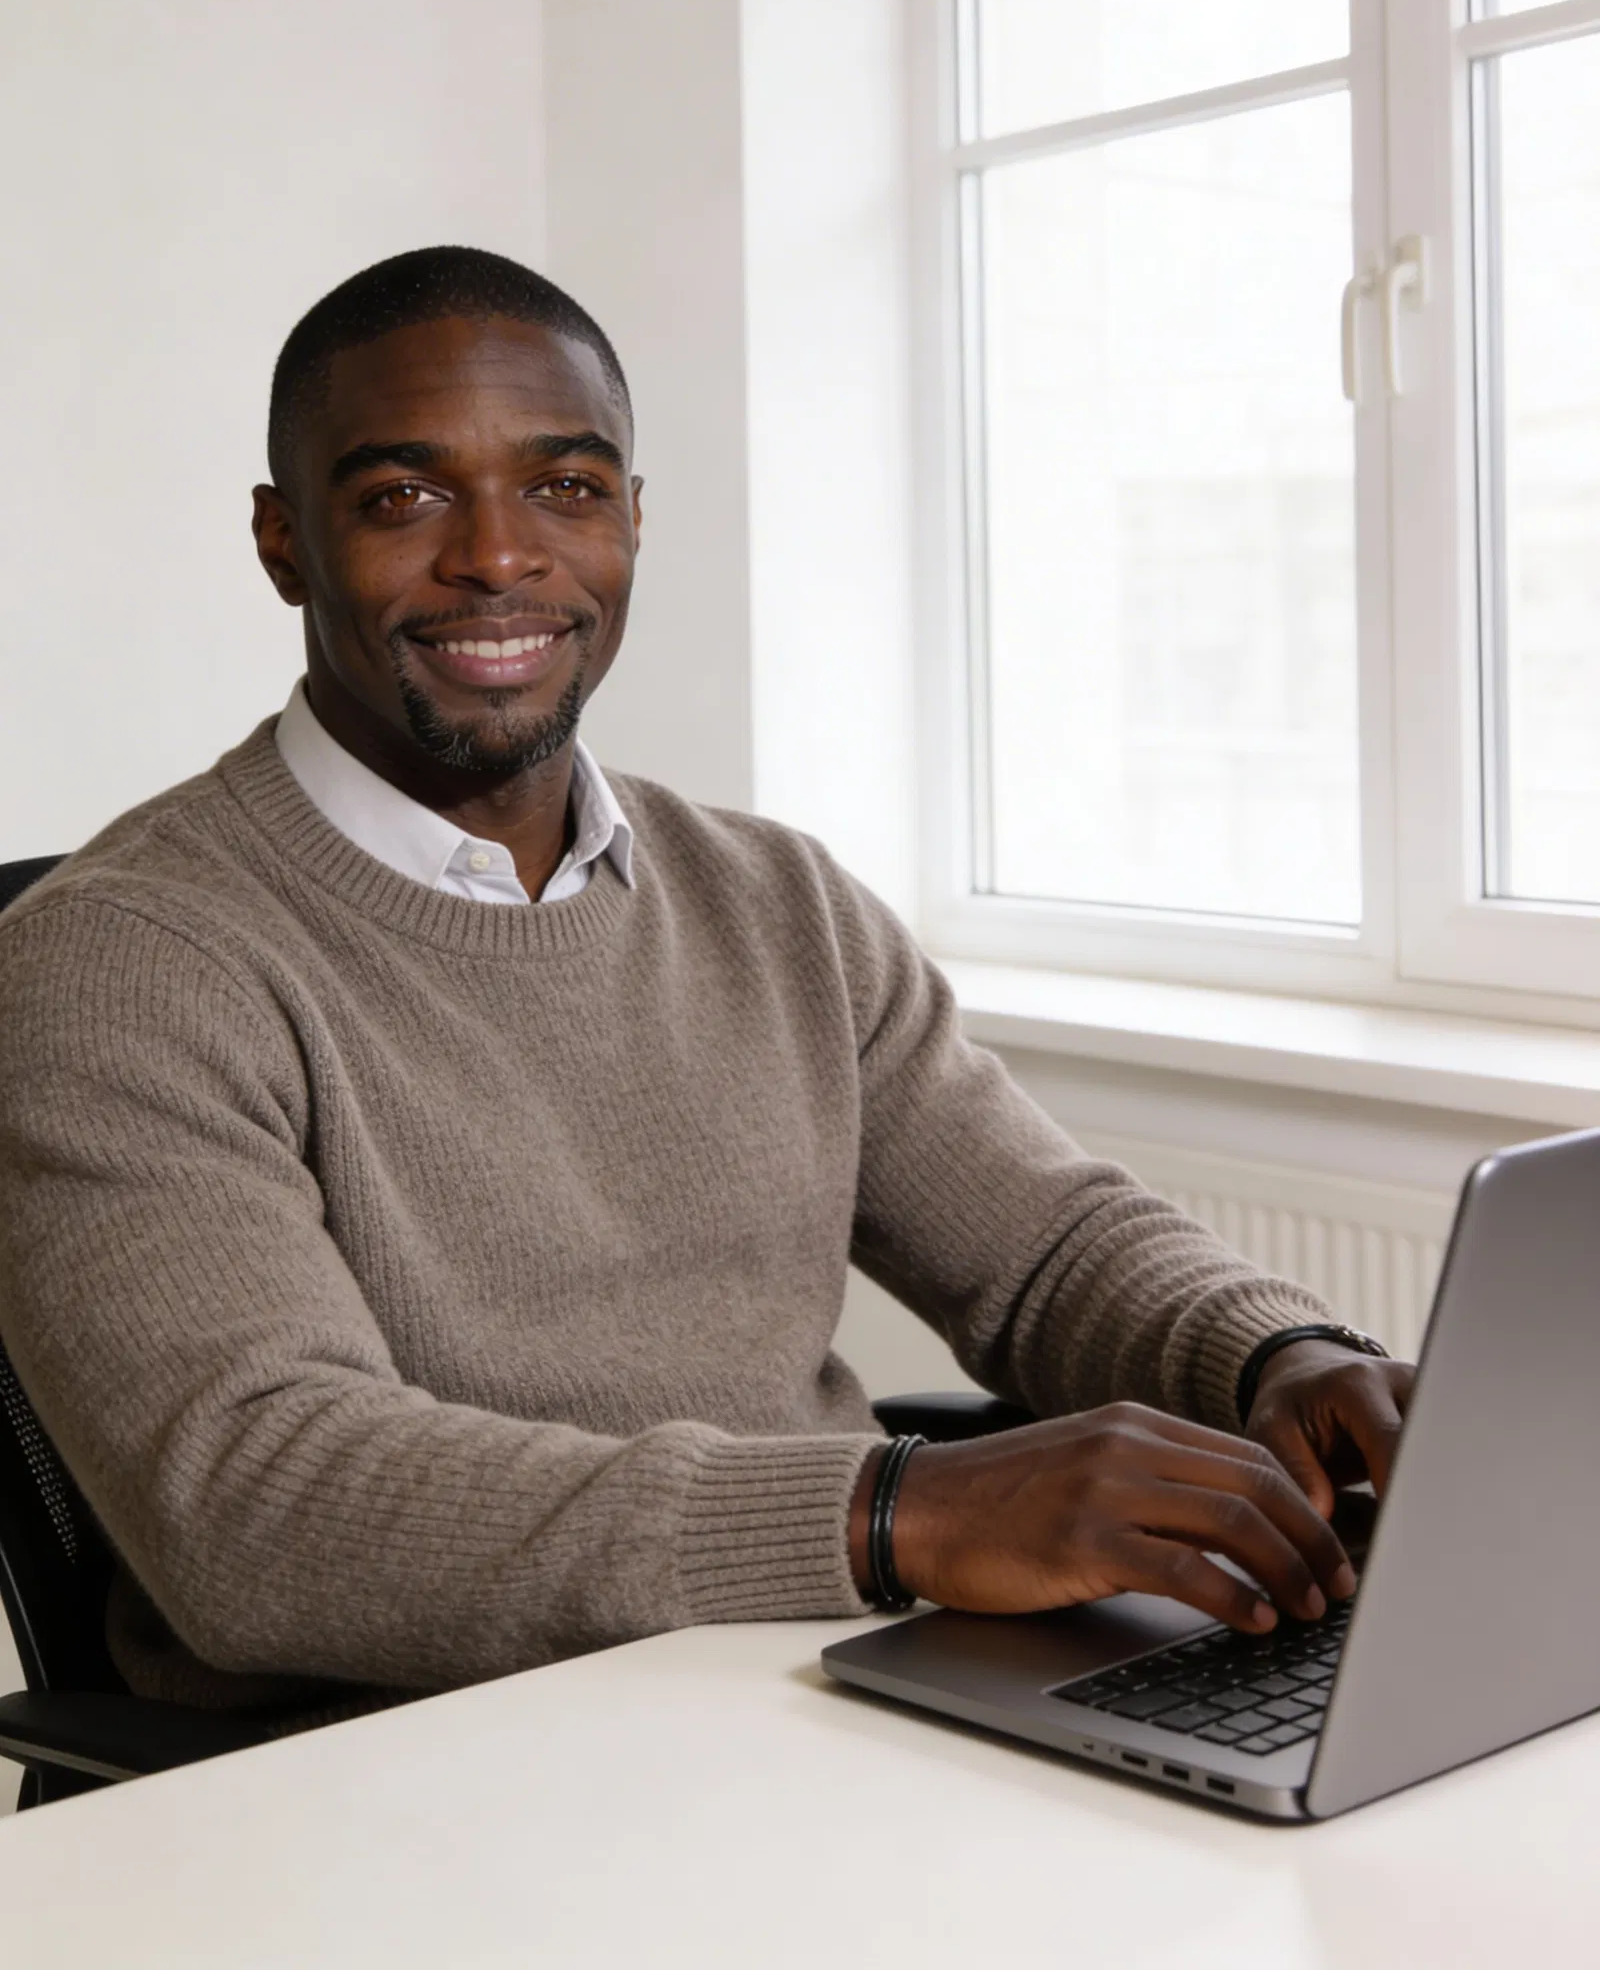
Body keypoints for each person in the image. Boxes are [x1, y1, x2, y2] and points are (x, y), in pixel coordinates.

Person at [0, 247, 1410, 1722]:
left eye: (566, 488)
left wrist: (1282, 1358)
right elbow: (260, 1508)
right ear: (284, 543)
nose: (499, 556)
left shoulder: (776, 901)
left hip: (815, 1682)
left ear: (630, 521)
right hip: (412, 1760)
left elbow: (1045, 1249)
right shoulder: (120, 965)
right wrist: (894, 1515)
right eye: (404, 497)